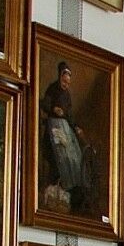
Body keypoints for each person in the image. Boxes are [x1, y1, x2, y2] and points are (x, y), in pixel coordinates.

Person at [37, 60, 91, 214]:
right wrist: (53, 109)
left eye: (68, 82)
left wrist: (76, 127)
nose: (66, 84)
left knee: (74, 155)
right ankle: (58, 187)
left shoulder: (67, 95)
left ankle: (72, 188)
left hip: (65, 127)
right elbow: (44, 104)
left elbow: (70, 115)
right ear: (60, 77)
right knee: (60, 156)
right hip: (53, 127)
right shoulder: (52, 89)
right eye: (64, 81)